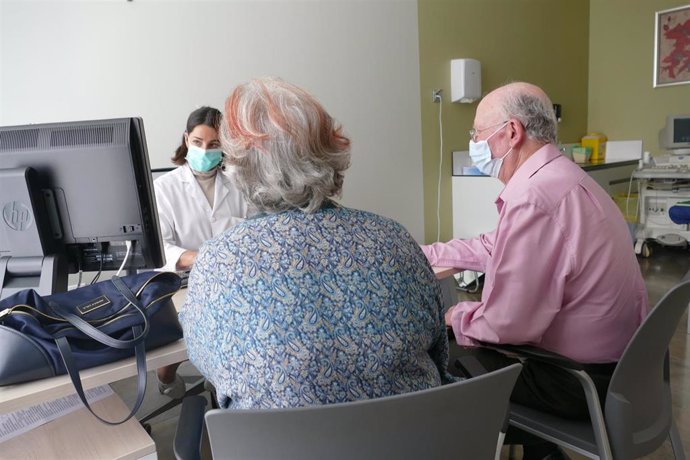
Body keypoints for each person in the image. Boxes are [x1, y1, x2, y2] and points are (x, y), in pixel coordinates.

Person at [180, 77, 452, 409]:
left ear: (239, 168)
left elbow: (206, 360)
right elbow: (439, 353)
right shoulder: (395, 239)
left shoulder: (219, 262)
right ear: (330, 153)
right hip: (418, 442)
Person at [421, 82, 648, 460]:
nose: (475, 142)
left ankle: (532, 451)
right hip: (624, 368)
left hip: (581, 382)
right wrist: (425, 253)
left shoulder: (535, 198)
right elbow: (495, 245)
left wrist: (453, 316)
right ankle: (540, 452)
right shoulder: (564, 179)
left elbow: (507, 325)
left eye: (477, 133)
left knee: (441, 349)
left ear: (511, 132)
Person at [153, 106, 249, 398]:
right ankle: (167, 378)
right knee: (188, 328)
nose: (205, 150)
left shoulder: (240, 184)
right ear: (186, 139)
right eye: (198, 142)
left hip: (232, 280)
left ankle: (224, 384)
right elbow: (160, 248)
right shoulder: (165, 188)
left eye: (214, 145)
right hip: (184, 281)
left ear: (225, 147)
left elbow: (254, 232)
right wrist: (200, 258)